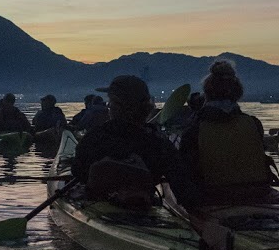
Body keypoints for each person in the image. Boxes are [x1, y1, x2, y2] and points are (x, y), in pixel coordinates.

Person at [71, 75, 199, 209]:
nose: (109, 106)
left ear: (117, 106)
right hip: (143, 207)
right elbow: (182, 185)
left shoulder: (96, 136)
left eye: (111, 102)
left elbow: (78, 171)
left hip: (99, 205)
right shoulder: (158, 142)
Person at [179, 59, 273, 202]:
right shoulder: (254, 124)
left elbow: (185, 173)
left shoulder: (194, 130)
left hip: (213, 198)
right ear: (237, 92)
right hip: (258, 195)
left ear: (207, 93)